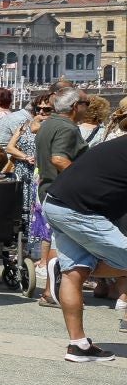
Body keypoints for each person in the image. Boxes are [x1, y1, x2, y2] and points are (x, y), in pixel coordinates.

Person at [41, 136, 127, 361]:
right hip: (78, 208)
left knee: (74, 272)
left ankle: (78, 345)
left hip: (56, 202)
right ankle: (60, 267)